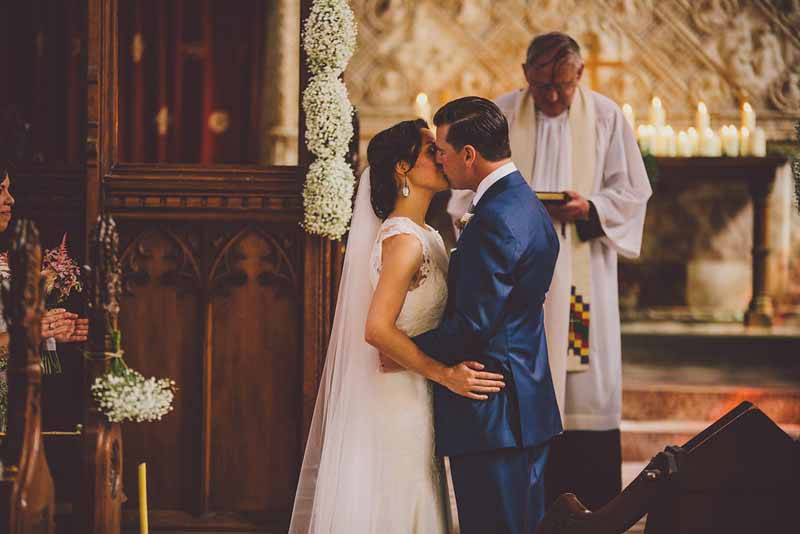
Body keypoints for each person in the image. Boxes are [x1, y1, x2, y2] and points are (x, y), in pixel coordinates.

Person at [451, 32, 653, 511]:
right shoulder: (497, 116)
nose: (555, 96)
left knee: (581, 384)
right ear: (526, 76)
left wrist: (591, 208)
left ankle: (591, 507)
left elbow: (631, 193)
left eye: (563, 85)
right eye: (543, 87)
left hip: (581, 273)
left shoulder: (605, 117)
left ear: (580, 75)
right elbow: (466, 187)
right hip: (516, 272)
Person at [289, 119, 507, 533]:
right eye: (430, 150)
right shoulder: (404, 241)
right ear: (402, 169)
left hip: (417, 391)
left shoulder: (428, 234)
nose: (441, 156)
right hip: (399, 400)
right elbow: (377, 330)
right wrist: (445, 375)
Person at [410, 96, 562, 533]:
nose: (439, 158)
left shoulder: (495, 218)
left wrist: (404, 351)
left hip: (492, 409)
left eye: (442, 149)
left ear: (469, 155)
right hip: (523, 401)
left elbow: (472, 327)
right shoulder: (525, 202)